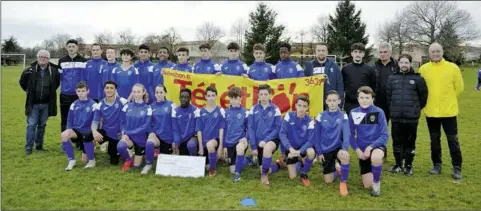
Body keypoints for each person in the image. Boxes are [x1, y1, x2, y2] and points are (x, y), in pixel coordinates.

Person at [419, 43, 464, 180]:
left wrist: (447, 100)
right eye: (433, 51)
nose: (436, 54)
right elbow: (421, 90)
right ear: (429, 53)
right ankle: (436, 165)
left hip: (449, 112)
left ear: (442, 52)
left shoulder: (452, 68)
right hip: (431, 112)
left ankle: (457, 167)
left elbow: (459, 88)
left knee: (453, 140)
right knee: (434, 140)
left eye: (438, 51)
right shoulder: (423, 69)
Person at [386, 53, 428, 176]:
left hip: (411, 118)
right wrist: (394, 109)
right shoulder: (392, 79)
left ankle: (408, 165)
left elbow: (423, 97)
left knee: (410, 142)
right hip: (396, 117)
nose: (404, 65)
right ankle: (398, 164)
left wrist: (415, 109)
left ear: (410, 64)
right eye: (402, 62)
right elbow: (389, 97)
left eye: (406, 62)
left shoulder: (418, 79)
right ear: (398, 64)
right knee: (396, 142)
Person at [349, 86, 389, 196]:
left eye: (367, 97)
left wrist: (370, 147)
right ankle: (372, 172)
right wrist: (357, 150)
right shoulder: (353, 113)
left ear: (372, 99)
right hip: (362, 151)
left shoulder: (379, 112)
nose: (364, 100)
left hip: (376, 146)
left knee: (375, 157)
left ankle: (376, 184)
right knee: (367, 186)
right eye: (361, 97)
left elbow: (385, 135)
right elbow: (350, 135)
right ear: (358, 99)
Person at [19, 50, 60, 154]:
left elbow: (56, 84)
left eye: (45, 57)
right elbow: (22, 83)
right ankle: (28, 147)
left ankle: (39, 145)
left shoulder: (54, 71)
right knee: (32, 124)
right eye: (41, 56)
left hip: (46, 104)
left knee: (42, 125)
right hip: (33, 103)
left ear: (48, 59)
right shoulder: (29, 70)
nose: (43, 59)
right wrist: (30, 92)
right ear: (37, 57)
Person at [311, 90, 351, 196]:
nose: (332, 103)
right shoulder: (321, 116)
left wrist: (345, 149)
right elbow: (316, 136)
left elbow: (347, 134)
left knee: (345, 157)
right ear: (326, 102)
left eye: (334, 100)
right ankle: (336, 168)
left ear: (339, 101)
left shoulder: (343, 115)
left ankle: (343, 182)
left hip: (338, 147)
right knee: (328, 181)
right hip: (325, 149)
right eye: (330, 100)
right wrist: (319, 152)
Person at [85, 80, 128, 166]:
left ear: (115, 90)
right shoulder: (100, 104)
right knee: (87, 137)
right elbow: (95, 121)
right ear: (104, 90)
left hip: (118, 134)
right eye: (107, 88)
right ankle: (91, 160)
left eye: (111, 88)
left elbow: (129, 117)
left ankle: (127, 149)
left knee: (114, 162)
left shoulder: (122, 101)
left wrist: (125, 133)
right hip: (105, 132)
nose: (109, 90)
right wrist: (94, 132)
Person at [248, 84, 282, 186]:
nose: (263, 96)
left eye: (266, 94)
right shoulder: (253, 109)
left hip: (272, 140)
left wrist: (266, 140)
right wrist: (253, 146)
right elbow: (251, 128)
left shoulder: (275, 109)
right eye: (261, 94)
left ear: (270, 95)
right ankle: (278, 164)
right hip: (258, 142)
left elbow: (277, 128)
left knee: (267, 148)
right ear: (258, 95)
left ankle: (264, 177)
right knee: (264, 169)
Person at [59, 81, 97, 171]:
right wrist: (69, 131)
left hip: (88, 132)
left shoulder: (93, 104)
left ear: (88, 91)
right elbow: (69, 120)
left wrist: (94, 134)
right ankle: (71, 160)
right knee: (64, 134)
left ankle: (92, 161)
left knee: (84, 160)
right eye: (79, 91)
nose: (81, 93)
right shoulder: (74, 104)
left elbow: (96, 121)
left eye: (83, 91)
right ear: (76, 92)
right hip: (77, 131)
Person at [279, 95, 316, 186]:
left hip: (302, 149)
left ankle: (304, 172)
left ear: (307, 108)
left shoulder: (310, 120)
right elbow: (282, 134)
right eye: (299, 105)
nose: (301, 109)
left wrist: (299, 151)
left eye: (304, 106)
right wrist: (290, 149)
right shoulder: (289, 115)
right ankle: (301, 161)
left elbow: (311, 140)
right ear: (295, 105)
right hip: (291, 149)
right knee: (292, 177)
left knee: (311, 152)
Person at [117, 83, 152, 172]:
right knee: (120, 146)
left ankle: (138, 154)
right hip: (128, 137)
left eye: (138, 92)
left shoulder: (148, 108)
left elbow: (146, 126)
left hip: (141, 140)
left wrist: (129, 132)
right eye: (134, 92)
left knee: (136, 166)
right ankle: (128, 159)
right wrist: (124, 133)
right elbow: (122, 122)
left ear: (143, 92)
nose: (136, 94)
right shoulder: (127, 106)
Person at [143, 85, 176, 175]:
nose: (159, 95)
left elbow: (175, 123)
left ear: (165, 93)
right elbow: (148, 123)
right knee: (150, 142)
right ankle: (148, 164)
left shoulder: (171, 105)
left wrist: (175, 140)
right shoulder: (150, 106)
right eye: (157, 92)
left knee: (166, 164)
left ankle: (159, 151)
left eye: (161, 92)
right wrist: (151, 133)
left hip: (168, 137)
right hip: (156, 135)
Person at [195, 86, 226, 176]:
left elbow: (221, 129)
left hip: (214, 141)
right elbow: (199, 130)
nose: (211, 98)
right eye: (209, 95)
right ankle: (213, 162)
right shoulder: (200, 111)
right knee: (206, 166)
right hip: (204, 142)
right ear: (205, 97)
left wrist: (220, 146)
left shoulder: (220, 110)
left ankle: (212, 170)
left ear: (216, 96)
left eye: (213, 95)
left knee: (210, 145)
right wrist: (200, 146)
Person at [58, 39, 87, 133]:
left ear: (77, 48)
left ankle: (79, 142)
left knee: (79, 118)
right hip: (65, 94)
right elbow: (60, 77)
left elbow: (85, 78)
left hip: (79, 95)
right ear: (66, 47)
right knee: (65, 118)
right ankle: (65, 141)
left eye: (73, 46)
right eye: (69, 46)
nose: (71, 48)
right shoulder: (61, 61)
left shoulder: (83, 61)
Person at [304, 43, 344, 110]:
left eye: (323, 50)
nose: (321, 52)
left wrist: (339, 104)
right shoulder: (309, 66)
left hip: (330, 102)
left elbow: (340, 85)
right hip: (314, 102)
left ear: (327, 52)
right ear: (315, 52)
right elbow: (304, 85)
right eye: (319, 50)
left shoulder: (334, 66)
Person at [224, 87, 250, 182]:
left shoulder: (246, 112)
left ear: (240, 99)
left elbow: (249, 129)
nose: (234, 101)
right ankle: (248, 159)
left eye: (236, 98)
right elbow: (224, 130)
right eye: (232, 98)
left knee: (239, 148)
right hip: (229, 142)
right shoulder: (226, 112)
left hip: (240, 141)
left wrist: (246, 138)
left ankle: (237, 174)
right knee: (232, 169)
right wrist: (224, 146)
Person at [342, 43, 377, 114]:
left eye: (360, 52)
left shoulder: (370, 69)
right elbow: (343, 86)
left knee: (365, 125)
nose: (357, 54)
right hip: (349, 104)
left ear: (363, 54)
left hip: (365, 103)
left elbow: (373, 87)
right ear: (352, 54)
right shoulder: (345, 68)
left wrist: (371, 101)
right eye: (355, 52)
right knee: (351, 125)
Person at [373, 43, 398, 123]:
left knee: (396, 128)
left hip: (393, 102)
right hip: (377, 103)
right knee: (377, 127)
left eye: (385, 52)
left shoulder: (397, 66)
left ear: (390, 53)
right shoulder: (373, 67)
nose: (382, 54)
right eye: (380, 52)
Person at [172, 88, 199, 156]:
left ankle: (194, 159)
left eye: (186, 97)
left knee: (191, 145)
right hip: (181, 139)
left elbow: (198, 129)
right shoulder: (175, 111)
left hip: (192, 138)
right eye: (182, 97)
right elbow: (175, 130)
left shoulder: (196, 110)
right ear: (179, 98)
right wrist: (177, 143)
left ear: (190, 98)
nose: (183, 99)